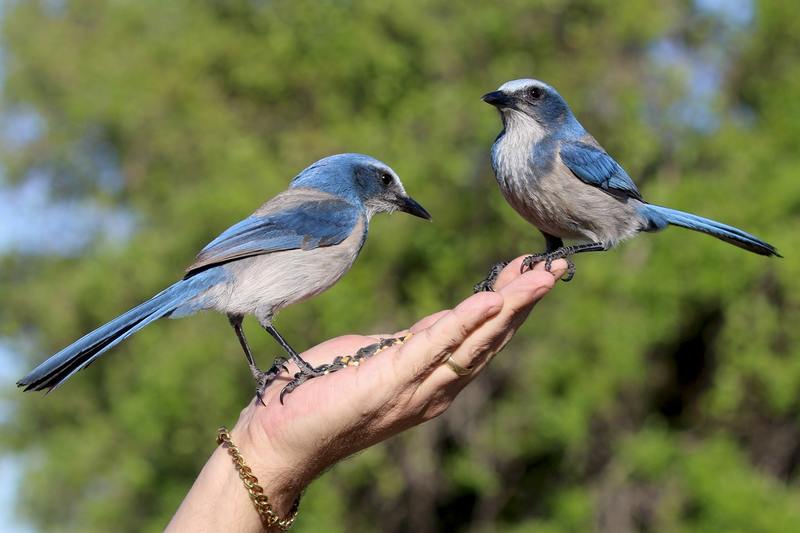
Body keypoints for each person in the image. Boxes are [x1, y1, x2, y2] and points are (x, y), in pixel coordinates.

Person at [167, 257, 568, 532]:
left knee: (247, 315)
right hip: (232, 270)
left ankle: (265, 370)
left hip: (230, 273)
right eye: (385, 183)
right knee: (262, 316)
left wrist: (264, 447)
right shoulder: (339, 212)